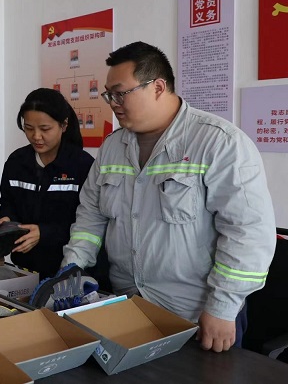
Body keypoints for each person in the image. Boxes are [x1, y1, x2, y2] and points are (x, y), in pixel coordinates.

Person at [61, 42, 276, 352]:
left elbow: (248, 233)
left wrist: (222, 307)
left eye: (120, 94)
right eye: (109, 95)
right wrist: (73, 266)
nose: (113, 104)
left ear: (158, 87)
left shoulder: (218, 142)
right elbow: (91, 215)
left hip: (196, 315)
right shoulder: (112, 147)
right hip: (129, 308)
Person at [0, 88, 94, 279]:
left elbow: (90, 222)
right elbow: (7, 202)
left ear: (63, 125)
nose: (36, 136)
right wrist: (5, 220)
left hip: (69, 270)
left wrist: (44, 233)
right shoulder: (16, 162)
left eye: (45, 129)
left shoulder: (82, 165)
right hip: (24, 269)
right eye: (29, 128)